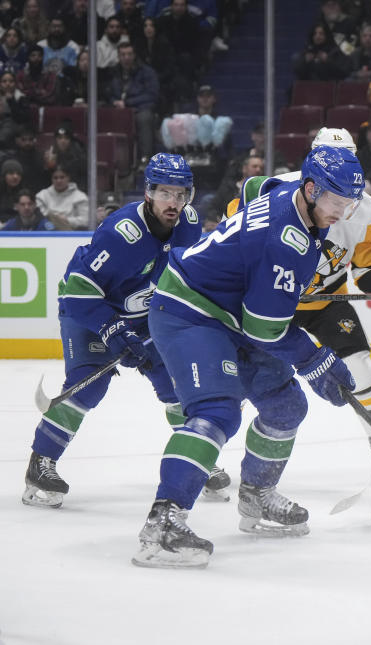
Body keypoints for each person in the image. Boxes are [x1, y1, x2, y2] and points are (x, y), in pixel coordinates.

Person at [133, 146, 362, 568]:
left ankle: (256, 496)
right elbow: (265, 329)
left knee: (286, 405)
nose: (342, 214)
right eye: (336, 202)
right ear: (311, 189)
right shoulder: (285, 241)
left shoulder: (293, 191)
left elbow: (258, 186)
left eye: (350, 205)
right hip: (190, 310)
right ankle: (162, 525)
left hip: (231, 312)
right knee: (218, 412)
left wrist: (263, 271)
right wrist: (317, 360)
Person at [21, 154, 230, 510]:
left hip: (146, 313)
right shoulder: (122, 233)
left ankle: (197, 456)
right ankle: (41, 464)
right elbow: (78, 288)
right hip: (90, 307)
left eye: (182, 194)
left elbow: (190, 272)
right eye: (166, 193)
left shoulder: (190, 222)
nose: (175, 203)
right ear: (148, 192)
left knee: (178, 385)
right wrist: (111, 328)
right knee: (89, 383)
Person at [226, 128, 371, 464]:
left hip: (325, 300)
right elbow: (234, 232)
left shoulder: (366, 209)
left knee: (361, 366)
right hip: (273, 299)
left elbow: (368, 268)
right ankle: (210, 442)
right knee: (241, 378)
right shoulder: (279, 192)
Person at [35, 165, 89, 230]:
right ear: (51, 179)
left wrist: (66, 220)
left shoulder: (80, 197)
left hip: (72, 235)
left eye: (62, 177)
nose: (59, 181)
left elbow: (86, 220)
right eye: (55, 178)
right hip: (47, 233)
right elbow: (39, 218)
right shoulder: (42, 196)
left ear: (68, 178)